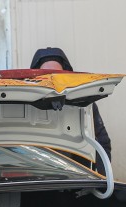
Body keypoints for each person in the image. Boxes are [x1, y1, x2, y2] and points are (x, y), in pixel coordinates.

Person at [30, 47, 112, 175]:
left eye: (57, 75)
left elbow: (102, 143)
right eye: (45, 76)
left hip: (76, 180)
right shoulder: (26, 104)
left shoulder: (84, 103)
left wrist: (100, 177)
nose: (52, 80)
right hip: (38, 179)